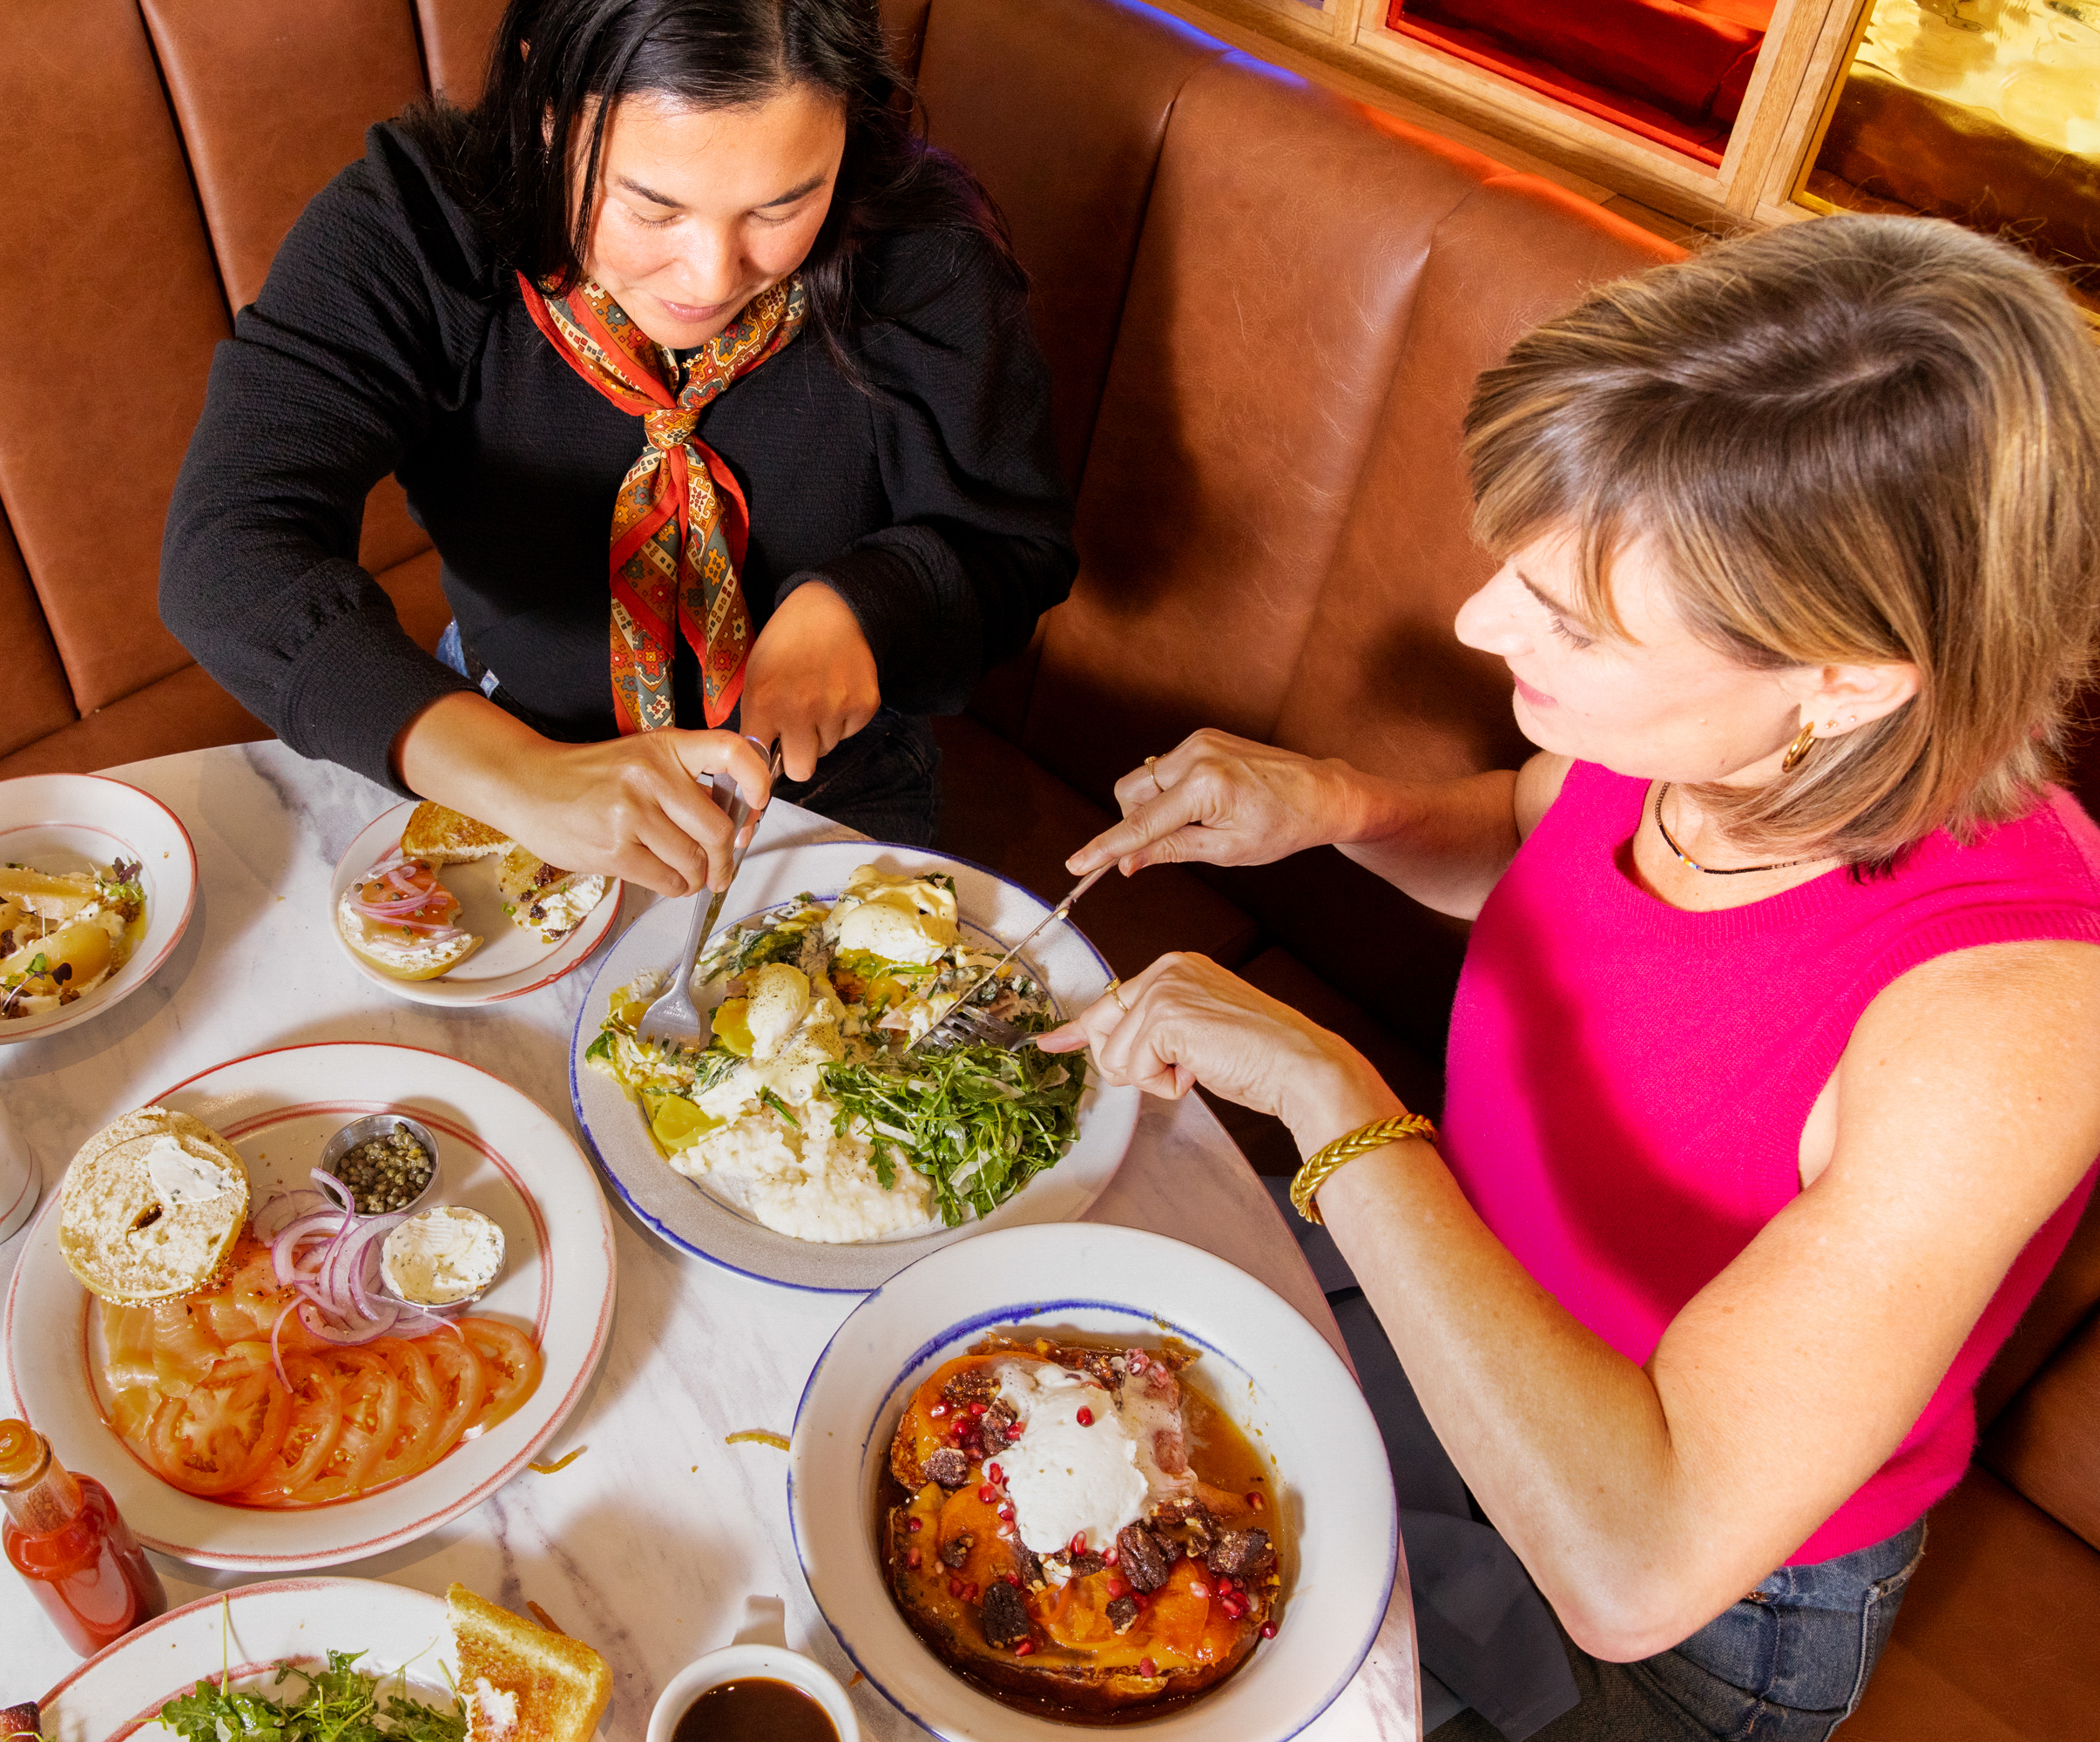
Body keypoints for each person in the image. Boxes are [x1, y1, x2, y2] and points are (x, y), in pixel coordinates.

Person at [1042, 214, 2100, 1740]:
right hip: (1447, 1301)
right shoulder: (1695, 735)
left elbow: (1636, 1557)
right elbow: (1543, 843)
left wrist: (1331, 1092)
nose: (1480, 627)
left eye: (1573, 623)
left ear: (1849, 680)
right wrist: (1339, 807)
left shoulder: (2012, 1020)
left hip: (1683, 1598)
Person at [160, 0, 1073, 893]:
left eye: (782, 205)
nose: (713, 275)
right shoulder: (420, 225)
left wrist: (869, 605)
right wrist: (521, 773)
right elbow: (227, 550)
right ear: (547, 103)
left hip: (826, 782)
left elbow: (1014, 546)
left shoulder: (922, 254)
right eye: (652, 207)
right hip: (502, 739)